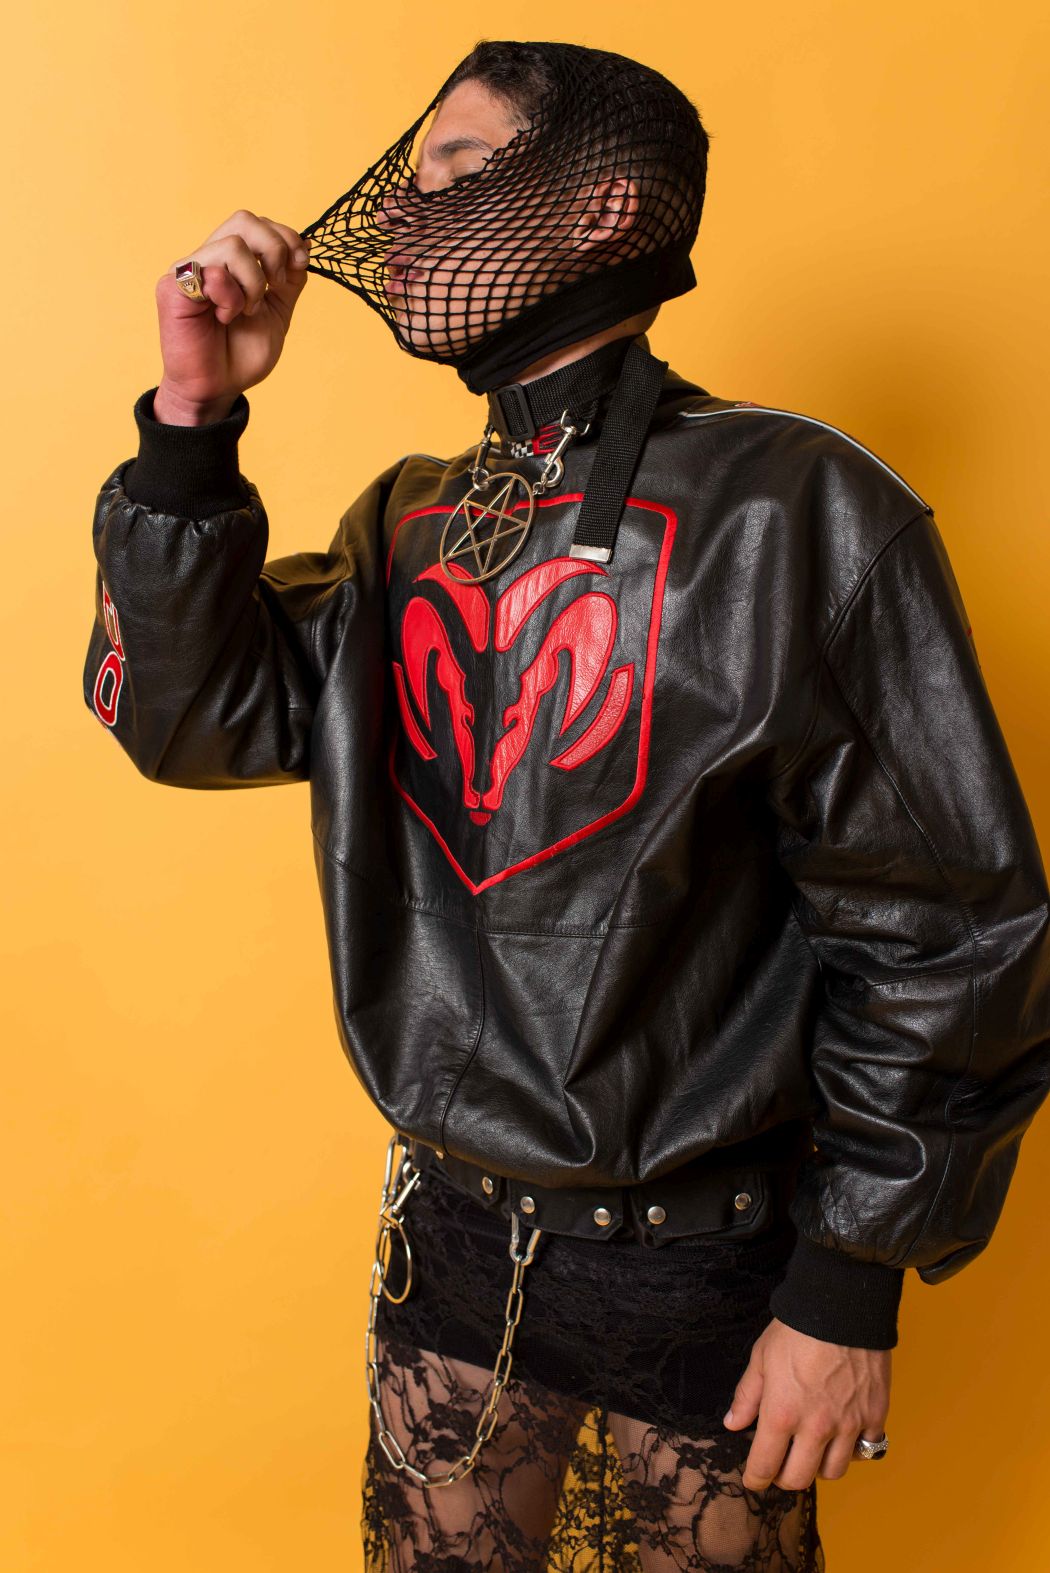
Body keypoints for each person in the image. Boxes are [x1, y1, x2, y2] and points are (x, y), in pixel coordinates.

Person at [82, 38, 1050, 1573]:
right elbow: (192, 714)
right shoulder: (410, 520)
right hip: (451, 1248)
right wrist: (192, 423)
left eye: (455, 167)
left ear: (604, 211)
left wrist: (849, 1282)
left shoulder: (794, 507)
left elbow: (949, 931)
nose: (403, 210)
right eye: (412, 175)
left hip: (709, 1266)